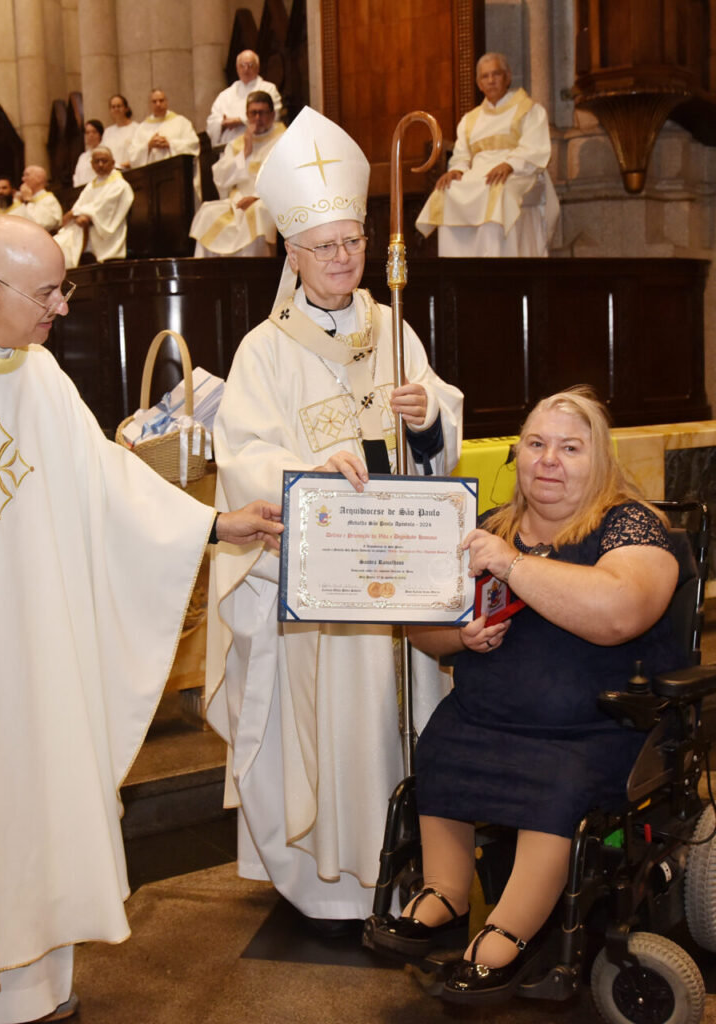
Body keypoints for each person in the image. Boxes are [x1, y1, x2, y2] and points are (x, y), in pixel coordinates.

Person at [0, 214, 283, 1024]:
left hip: (35, 651)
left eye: (63, 287)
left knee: (28, 799)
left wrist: (215, 525)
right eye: (48, 291)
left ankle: (26, 990)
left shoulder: (37, 374)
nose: (63, 307)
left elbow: (105, 484)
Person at [205, 106, 464, 927]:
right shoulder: (265, 351)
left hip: (395, 580)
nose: (344, 257)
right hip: (322, 590)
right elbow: (242, 456)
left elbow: (440, 438)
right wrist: (309, 474)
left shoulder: (394, 329)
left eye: (353, 241)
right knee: (335, 734)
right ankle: (329, 886)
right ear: (292, 253)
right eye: (325, 246)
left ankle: (415, 869)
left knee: (401, 721)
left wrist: (425, 415)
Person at [368, 386, 685, 1004]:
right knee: (443, 745)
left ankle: (507, 932)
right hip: (486, 716)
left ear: (601, 460)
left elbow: (620, 611)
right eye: (536, 444)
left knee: (556, 778)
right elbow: (423, 627)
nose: (549, 460)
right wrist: (459, 634)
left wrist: (511, 565)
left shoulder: (630, 524)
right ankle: (445, 893)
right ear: (518, 454)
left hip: (594, 728)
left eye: (570, 448)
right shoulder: (488, 527)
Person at [416, 52, 558, 257]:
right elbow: (462, 155)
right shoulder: (470, 119)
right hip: (478, 175)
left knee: (499, 191)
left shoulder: (528, 109)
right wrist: (456, 170)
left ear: (508, 77)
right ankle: (457, 272)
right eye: (485, 76)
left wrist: (510, 164)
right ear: (478, 83)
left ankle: (496, 270)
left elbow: (535, 148)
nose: (491, 80)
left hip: (519, 173)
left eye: (496, 74)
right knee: (446, 191)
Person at [190, 92, 284, 257]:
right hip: (238, 200)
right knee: (207, 212)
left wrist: (256, 197)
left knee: (256, 212)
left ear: (272, 114)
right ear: (247, 116)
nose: (257, 118)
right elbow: (221, 179)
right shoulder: (239, 143)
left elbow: (285, 178)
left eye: (262, 112)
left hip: (267, 201)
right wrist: (245, 154)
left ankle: (252, 275)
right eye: (252, 113)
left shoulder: (283, 140)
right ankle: (207, 275)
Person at [54, 146, 134, 268]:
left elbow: (104, 209)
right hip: (85, 230)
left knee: (63, 250)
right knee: (56, 246)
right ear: (91, 164)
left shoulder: (120, 185)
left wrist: (78, 213)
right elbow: (79, 206)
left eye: (104, 161)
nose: (100, 165)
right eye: (96, 161)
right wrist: (75, 214)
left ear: (112, 163)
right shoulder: (91, 185)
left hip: (105, 235)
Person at [206, 49, 282, 147]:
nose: (246, 69)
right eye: (242, 65)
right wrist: (222, 123)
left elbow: (274, 115)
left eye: (250, 65)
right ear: (237, 68)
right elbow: (212, 122)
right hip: (229, 148)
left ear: (258, 68)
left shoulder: (268, 89)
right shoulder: (225, 95)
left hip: (260, 146)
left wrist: (241, 121)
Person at [128, 89, 199, 168]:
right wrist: (148, 146)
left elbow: (193, 144)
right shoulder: (142, 128)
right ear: (149, 105)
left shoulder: (181, 122)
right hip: (152, 173)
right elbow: (132, 154)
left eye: (161, 100)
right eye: (154, 102)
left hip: (176, 170)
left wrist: (170, 144)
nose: (158, 104)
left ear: (166, 102)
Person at [10, 165, 63, 232]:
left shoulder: (48, 199)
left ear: (39, 178)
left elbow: (38, 224)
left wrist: (28, 200)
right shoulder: (21, 197)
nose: (23, 179)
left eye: (27, 175)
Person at [102, 94, 138, 169]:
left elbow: (140, 153)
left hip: (130, 171)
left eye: (119, 106)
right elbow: (103, 153)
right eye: (113, 107)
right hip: (111, 173)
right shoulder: (108, 132)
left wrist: (123, 166)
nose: (116, 109)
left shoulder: (136, 128)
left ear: (126, 108)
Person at [72, 118, 105, 187]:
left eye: (94, 132)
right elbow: (76, 177)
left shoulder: (105, 153)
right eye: (87, 133)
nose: (90, 135)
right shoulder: (82, 157)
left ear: (100, 135)